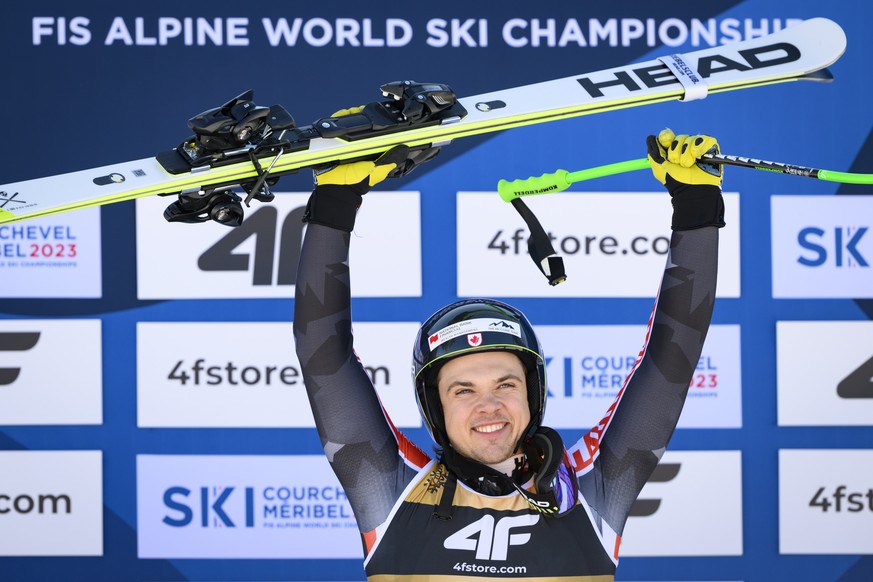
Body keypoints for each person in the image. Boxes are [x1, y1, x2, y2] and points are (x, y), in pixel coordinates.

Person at [293, 128, 724, 580]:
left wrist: (696, 209)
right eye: (463, 390)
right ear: (435, 408)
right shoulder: (390, 488)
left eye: (506, 384)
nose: (489, 405)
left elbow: (670, 359)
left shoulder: (592, 491)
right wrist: (336, 203)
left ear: (531, 395)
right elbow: (325, 358)